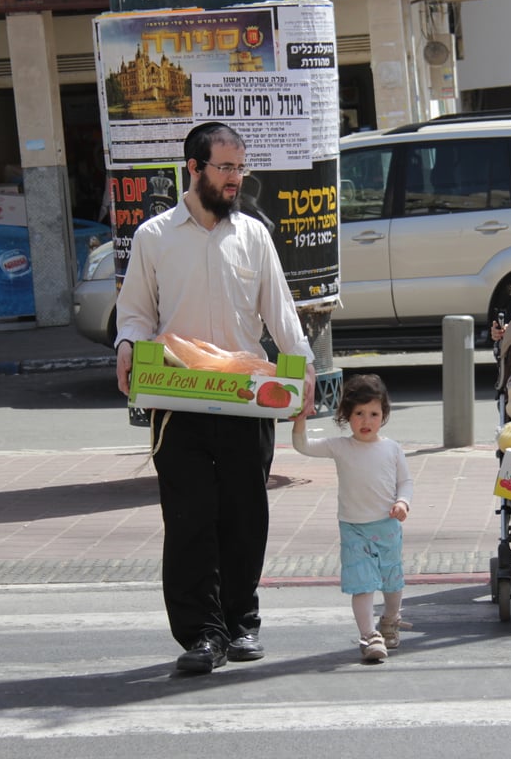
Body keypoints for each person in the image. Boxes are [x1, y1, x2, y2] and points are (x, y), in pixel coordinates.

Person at [114, 121, 317, 675]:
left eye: (239, 167)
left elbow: (280, 313)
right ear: (194, 169)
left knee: (244, 514)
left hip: (245, 397)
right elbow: (135, 311)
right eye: (225, 167)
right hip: (176, 397)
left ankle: (241, 621)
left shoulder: (253, 234)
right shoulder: (155, 236)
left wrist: (305, 371)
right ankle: (202, 633)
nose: (235, 178)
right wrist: (128, 344)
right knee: (189, 518)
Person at [290, 373, 413, 663]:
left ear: (383, 415)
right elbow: (302, 445)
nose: (366, 420)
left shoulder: (392, 449)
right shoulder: (340, 446)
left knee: (392, 581)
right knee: (362, 583)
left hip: (387, 526)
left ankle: (391, 618)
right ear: (347, 415)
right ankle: (370, 635)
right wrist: (300, 418)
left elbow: (405, 482)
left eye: (373, 413)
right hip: (353, 528)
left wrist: (402, 502)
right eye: (359, 413)